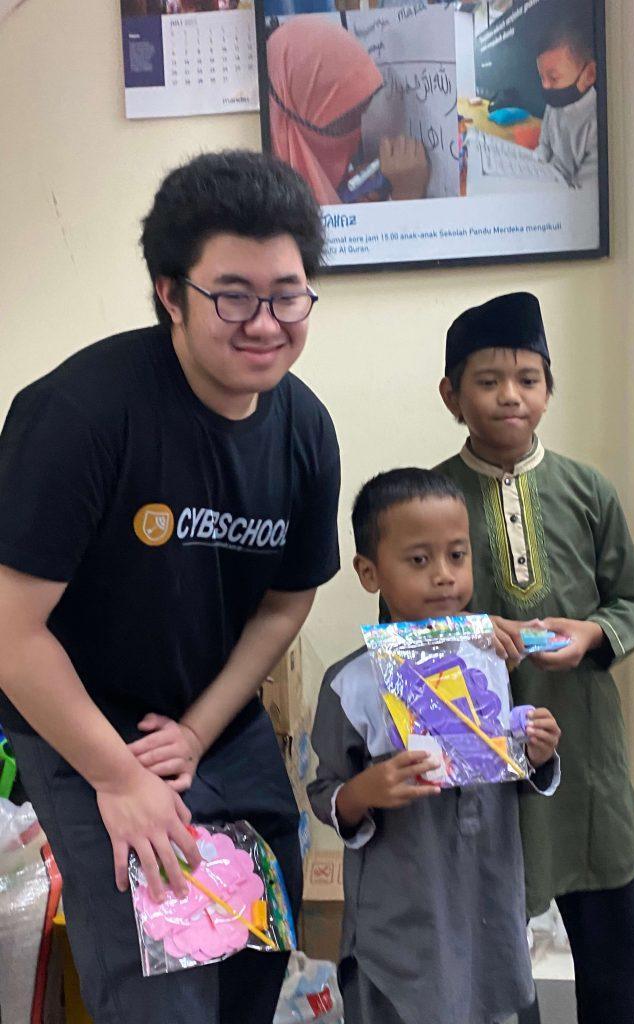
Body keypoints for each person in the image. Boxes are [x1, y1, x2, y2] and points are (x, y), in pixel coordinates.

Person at [0, 150, 341, 1024]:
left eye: (288, 295)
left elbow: (286, 601)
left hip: (209, 716)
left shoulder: (304, 427)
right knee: (164, 983)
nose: (265, 324)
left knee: (260, 940)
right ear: (170, 293)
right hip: (82, 716)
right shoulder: (82, 414)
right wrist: (118, 777)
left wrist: (199, 727)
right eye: (233, 296)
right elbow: (11, 633)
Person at [435, 292, 634, 1024]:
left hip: (585, 752)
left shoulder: (586, 490)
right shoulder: (429, 500)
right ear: (451, 396)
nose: (511, 395)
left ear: (547, 390)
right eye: (488, 380)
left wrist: (592, 635)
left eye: (528, 379)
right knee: (498, 983)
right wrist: (473, 635)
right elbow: (401, 629)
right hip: (481, 765)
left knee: (616, 964)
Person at [308, 468, 562, 1024]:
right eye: (419, 560)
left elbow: (508, 765)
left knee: (493, 997)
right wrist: (364, 791)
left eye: (457, 555)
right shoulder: (351, 684)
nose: (444, 576)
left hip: (487, 896)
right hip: (402, 919)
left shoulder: (493, 659)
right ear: (370, 573)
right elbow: (326, 794)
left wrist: (537, 754)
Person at [267, 16, 429, 204]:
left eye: (360, 114)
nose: (356, 133)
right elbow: (313, 221)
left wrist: (343, 191)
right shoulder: (271, 200)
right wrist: (407, 198)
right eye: (347, 119)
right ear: (301, 119)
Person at [533, 18, 598, 187]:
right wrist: (534, 165)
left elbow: (584, 187)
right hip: (546, 180)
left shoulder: (595, 121)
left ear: (589, 75)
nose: (545, 86)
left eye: (553, 78)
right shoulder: (553, 106)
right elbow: (544, 146)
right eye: (542, 77)